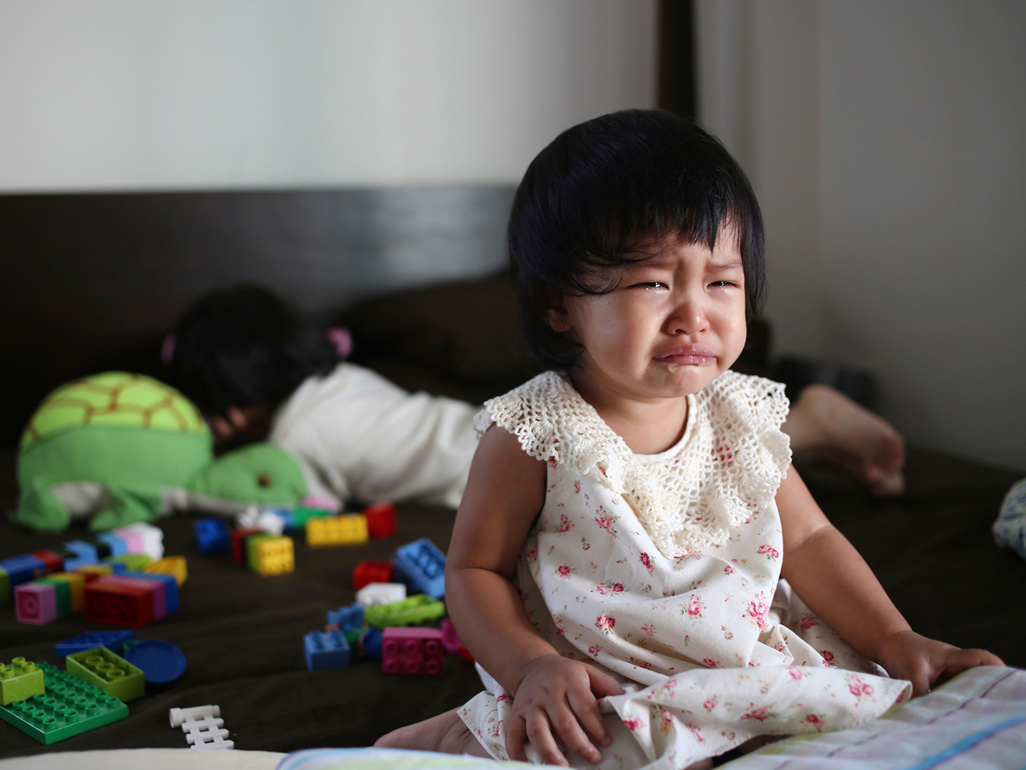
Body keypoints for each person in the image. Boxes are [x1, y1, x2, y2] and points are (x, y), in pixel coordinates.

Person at [373, 109, 1003, 769]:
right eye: (653, 282)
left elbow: (812, 541)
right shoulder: (536, 429)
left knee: (857, 711)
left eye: (722, 282)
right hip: (598, 671)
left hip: (734, 657)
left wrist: (897, 638)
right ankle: (467, 732)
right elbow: (476, 570)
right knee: (601, 748)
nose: (694, 317)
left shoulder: (740, 414)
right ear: (559, 303)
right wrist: (529, 666)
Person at [167, 283, 479, 509]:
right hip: (483, 429)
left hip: (478, 479)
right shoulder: (345, 379)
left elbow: (306, 499)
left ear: (234, 412)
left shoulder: (293, 436)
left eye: (211, 411)